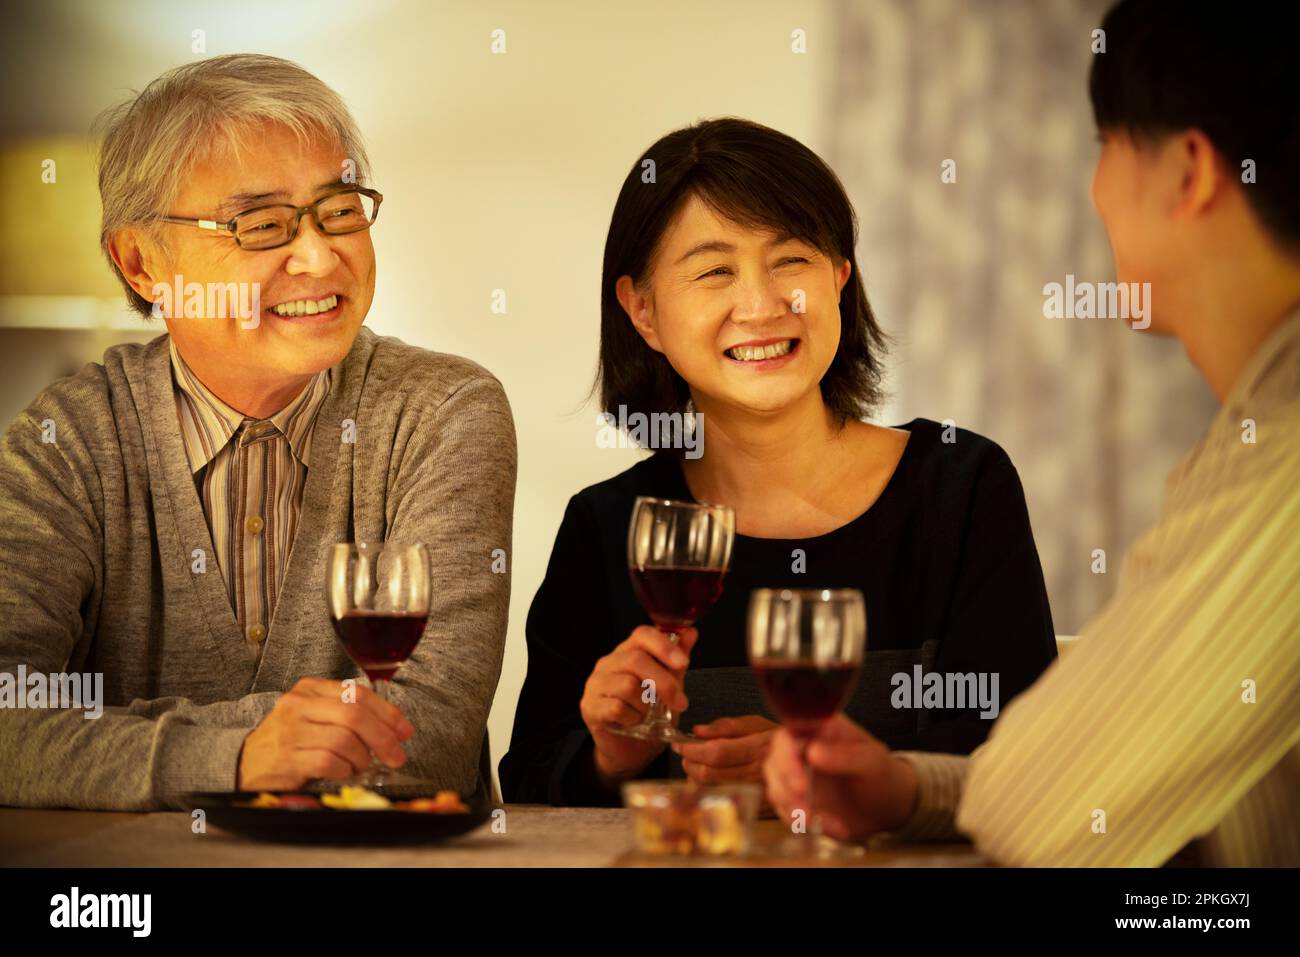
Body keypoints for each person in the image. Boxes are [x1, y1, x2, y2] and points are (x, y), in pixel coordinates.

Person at [763, 0, 1300, 866]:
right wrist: (907, 786)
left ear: (1190, 172)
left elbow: (1046, 807)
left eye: (1104, 149)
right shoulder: (1248, 432)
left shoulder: (1279, 461)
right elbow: (1129, 772)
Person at [0, 55, 516, 809]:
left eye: (339, 211)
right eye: (261, 223)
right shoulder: (68, 438)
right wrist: (237, 754)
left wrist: (102, 744)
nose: (318, 255)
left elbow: (424, 740)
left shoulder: (443, 412)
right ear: (141, 262)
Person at [500, 117, 1056, 806]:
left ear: (840, 278)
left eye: (790, 259)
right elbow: (527, 784)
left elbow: (1028, 763)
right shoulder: (609, 527)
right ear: (643, 312)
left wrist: (816, 771)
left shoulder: (961, 487)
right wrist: (613, 755)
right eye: (715, 271)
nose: (761, 304)